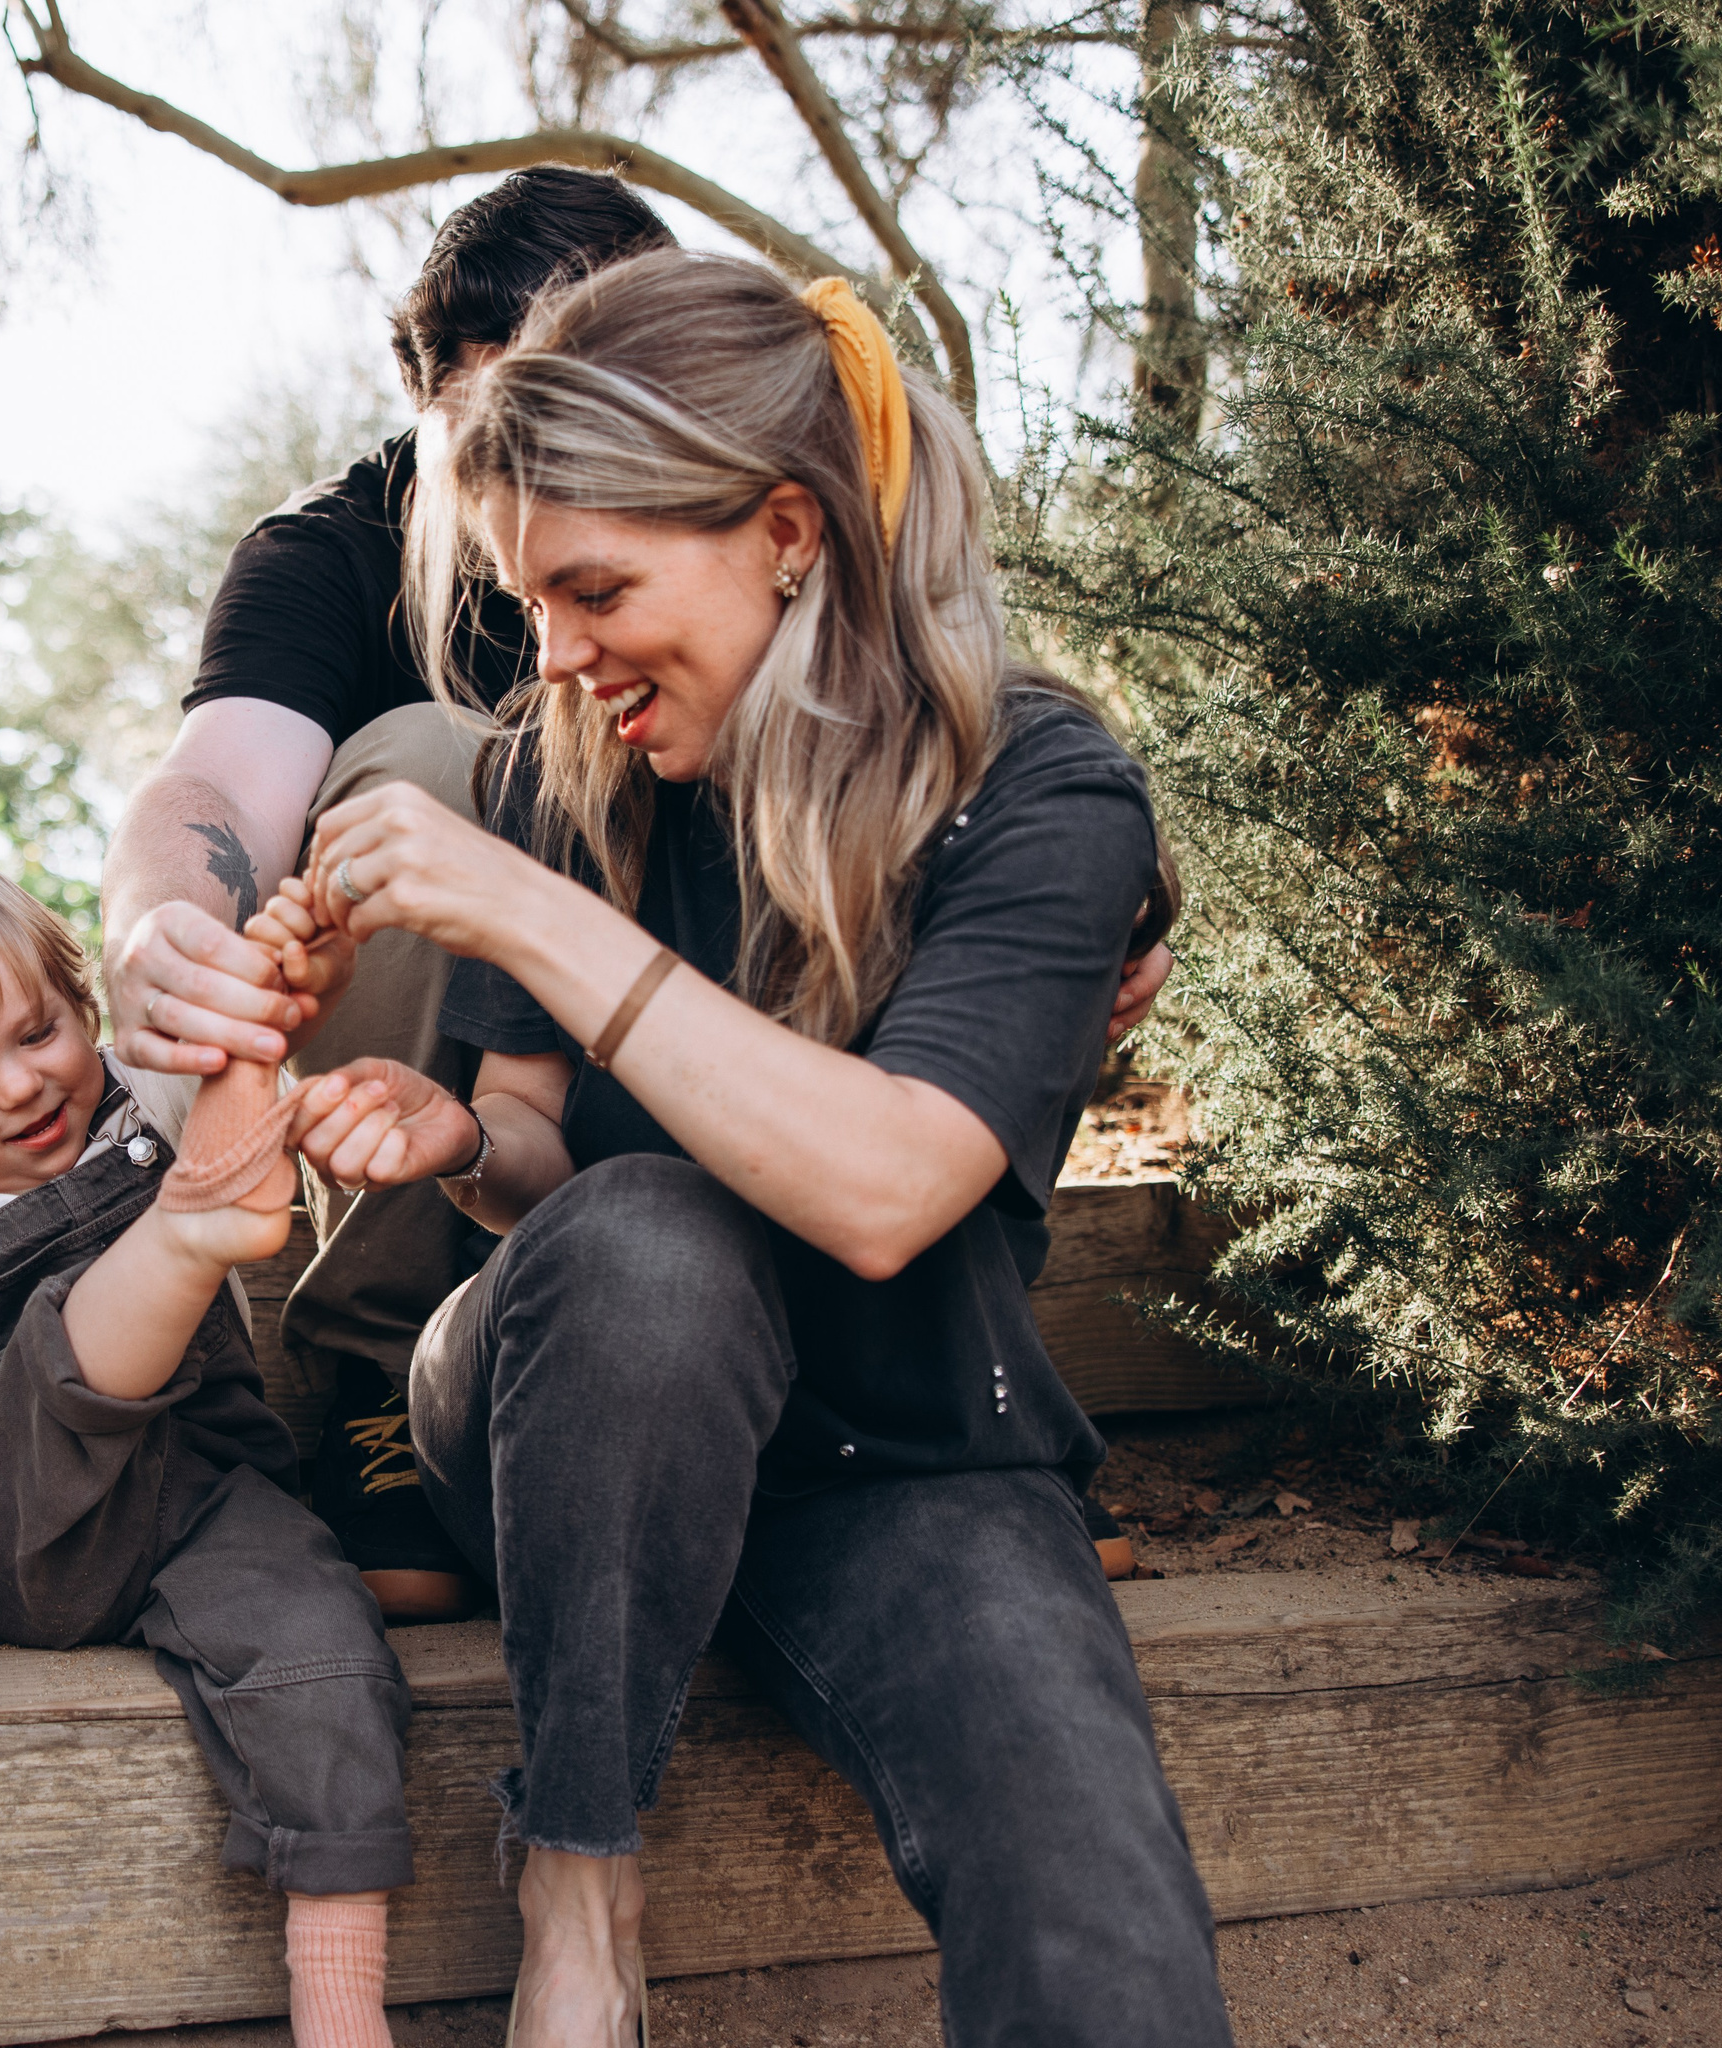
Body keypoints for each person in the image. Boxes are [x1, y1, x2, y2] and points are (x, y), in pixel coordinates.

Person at [251, 251, 1234, 2046]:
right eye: (528, 597)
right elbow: (542, 1151)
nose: (550, 654)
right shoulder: (563, 772)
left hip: (908, 1455)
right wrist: (464, 1133)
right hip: (571, 1422)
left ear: (786, 529)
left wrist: (541, 927)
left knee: (1110, 1953)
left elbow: (887, 1189)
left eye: (595, 587)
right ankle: (577, 1874)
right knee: (643, 1238)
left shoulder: (1034, 786)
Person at [100, 167, 1174, 1615]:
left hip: (776, 1108)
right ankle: (372, 1364)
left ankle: (939, 1386)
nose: (556, 440)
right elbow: (217, 789)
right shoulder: (334, 553)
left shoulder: (757, 545)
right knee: (448, 764)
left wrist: (1059, 901)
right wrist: (163, 921)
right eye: (509, 411)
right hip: (505, 1106)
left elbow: (947, 727)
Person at [0, 844, 411, 2048]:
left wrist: (272, 993)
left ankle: (340, 2000)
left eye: (37, 1033)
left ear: (82, 1005)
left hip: (207, 1487)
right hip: (35, 1535)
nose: (21, 1086)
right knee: (40, 1347)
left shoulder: (150, 1096)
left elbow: (253, 1071)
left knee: (324, 1636)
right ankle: (187, 1236)